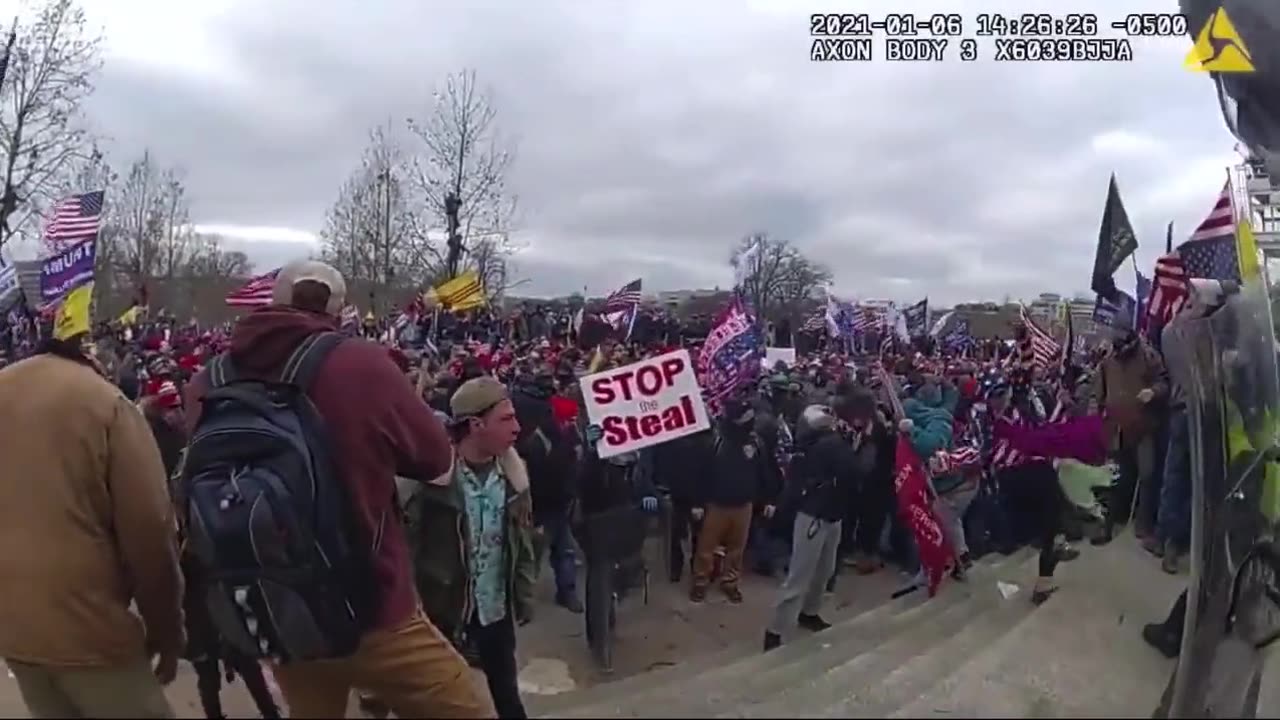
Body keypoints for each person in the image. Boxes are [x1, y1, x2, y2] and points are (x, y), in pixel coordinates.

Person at [184, 260, 486, 718]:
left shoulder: (207, 381)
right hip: (376, 610)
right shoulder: (361, 363)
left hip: (279, 607)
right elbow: (440, 465)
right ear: (339, 309)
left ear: (274, 302)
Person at [0, 331, 184, 718]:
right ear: (90, 356)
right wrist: (166, 627)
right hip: (90, 628)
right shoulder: (106, 403)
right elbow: (151, 531)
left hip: (14, 625)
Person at [405, 376, 537, 719]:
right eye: (506, 419)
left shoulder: (514, 477)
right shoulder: (430, 485)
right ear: (476, 425)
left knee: (507, 699)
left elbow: (522, 544)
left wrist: (523, 594)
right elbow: (406, 554)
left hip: (495, 613)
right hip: (445, 617)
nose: (517, 427)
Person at [764, 404, 860, 651]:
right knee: (801, 575)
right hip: (816, 516)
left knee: (822, 571)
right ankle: (776, 629)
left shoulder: (817, 447)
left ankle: (809, 612)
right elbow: (852, 470)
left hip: (830, 514)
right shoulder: (827, 446)